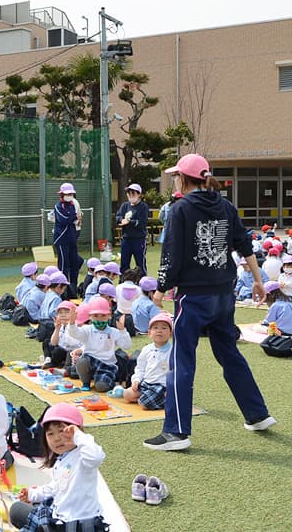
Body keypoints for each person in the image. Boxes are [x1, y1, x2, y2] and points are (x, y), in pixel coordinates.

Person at [148, 153, 275, 451]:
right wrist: (258, 280)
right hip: (224, 293)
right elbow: (245, 245)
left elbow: (172, 254)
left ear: (182, 178)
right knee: (229, 353)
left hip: (193, 296)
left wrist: (160, 288)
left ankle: (176, 432)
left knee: (182, 360)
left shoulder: (180, 209)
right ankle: (257, 414)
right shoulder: (226, 206)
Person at [9, 404, 108, 532]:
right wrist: (34, 494)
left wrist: (78, 436)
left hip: (77, 526)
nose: (56, 438)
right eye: (50, 434)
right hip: (60, 519)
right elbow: (57, 487)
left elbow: (96, 456)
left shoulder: (83, 457)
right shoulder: (62, 458)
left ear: (77, 430)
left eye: (62, 431)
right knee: (17, 510)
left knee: (19, 512)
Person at [70, 298, 132, 392]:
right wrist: (72, 323)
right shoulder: (87, 329)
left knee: (102, 387)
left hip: (107, 364)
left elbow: (126, 345)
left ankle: (101, 379)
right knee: (82, 362)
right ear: (90, 316)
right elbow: (75, 333)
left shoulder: (113, 332)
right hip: (90, 361)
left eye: (103, 315)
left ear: (109, 315)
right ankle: (86, 382)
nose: (99, 319)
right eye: (96, 315)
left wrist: (122, 331)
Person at [123, 312, 172, 410]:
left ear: (171, 333)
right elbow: (140, 368)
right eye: (155, 328)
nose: (159, 331)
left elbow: (176, 372)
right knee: (127, 394)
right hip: (146, 384)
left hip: (162, 386)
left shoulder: (173, 351)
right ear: (149, 333)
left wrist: (170, 388)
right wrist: (136, 380)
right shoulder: (147, 349)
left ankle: (168, 398)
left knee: (144, 404)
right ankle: (149, 398)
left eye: (164, 328)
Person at [52, 183, 83, 299]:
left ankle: (72, 289)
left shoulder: (72, 205)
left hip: (72, 238)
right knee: (63, 265)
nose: (69, 195)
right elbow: (64, 219)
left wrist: (74, 218)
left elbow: (76, 217)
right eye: (67, 194)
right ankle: (62, 292)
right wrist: (74, 217)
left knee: (75, 263)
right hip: (61, 239)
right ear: (62, 194)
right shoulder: (58, 206)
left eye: (71, 193)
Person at [116, 183, 149, 275]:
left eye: (133, 193)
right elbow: (118, 217)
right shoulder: (125, 206)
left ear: (139, 195)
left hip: (139, 239)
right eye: (129, 193)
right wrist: (121, 220)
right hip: (126, 239)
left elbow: (142, 223)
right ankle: (123, 283)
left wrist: (130, 222)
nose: (131, 195)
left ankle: (143, 284)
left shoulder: (143, 207)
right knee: (124, 263)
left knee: (140, 263)